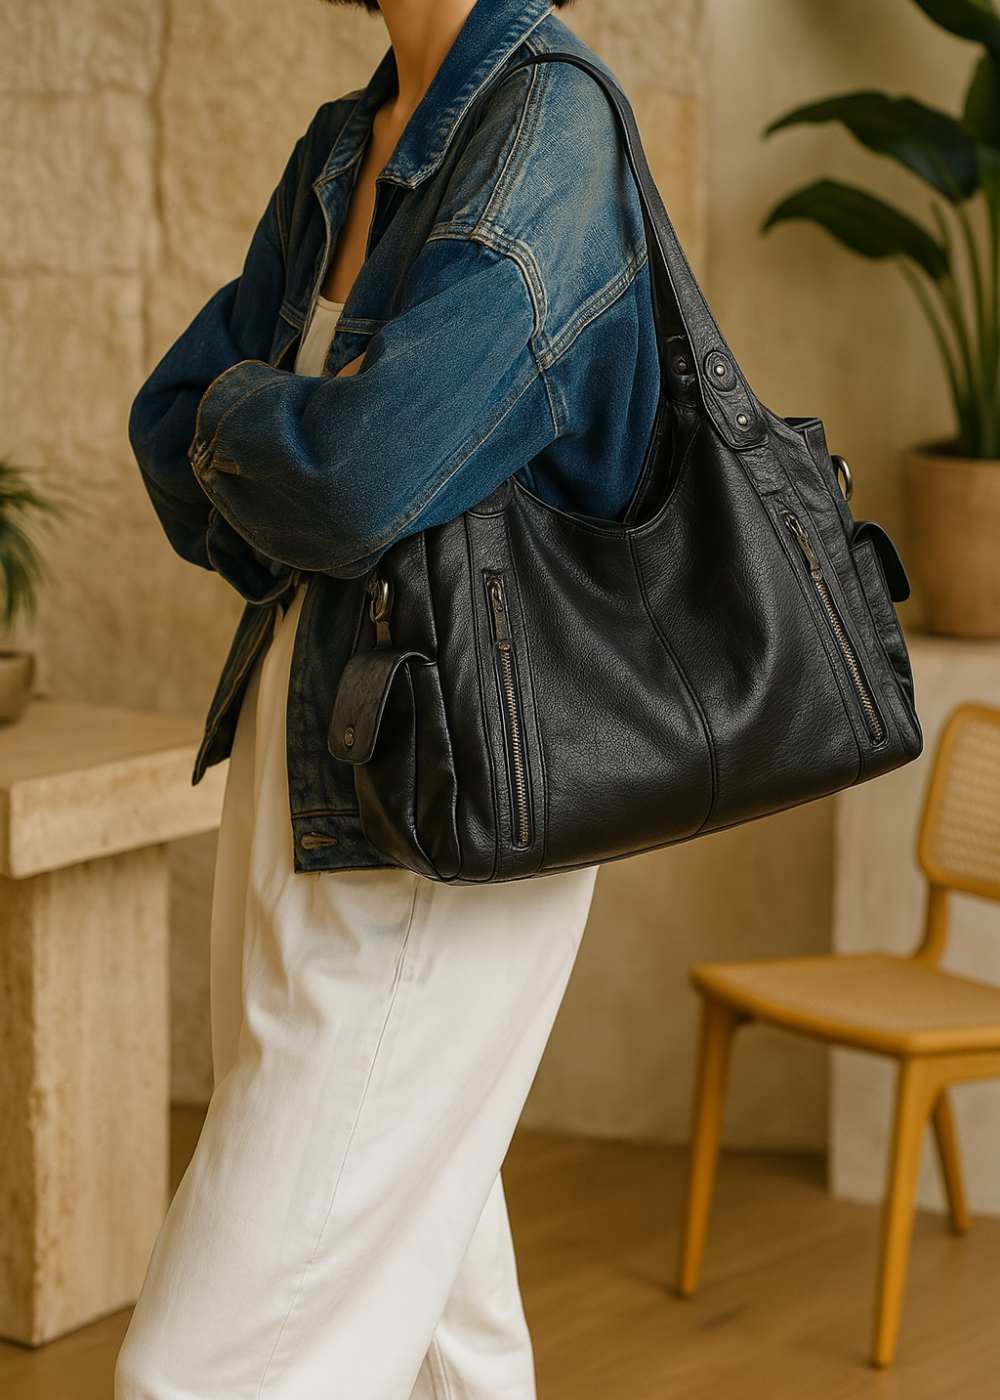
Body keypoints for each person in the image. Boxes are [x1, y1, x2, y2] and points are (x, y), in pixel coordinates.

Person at [116, 1, 658, 1395]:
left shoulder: (548, 127)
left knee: (205, 1366)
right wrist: (294, 430)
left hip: (439, 797)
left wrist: (256, 418)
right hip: (302, 745)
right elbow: (164, 422)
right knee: (439, 1326)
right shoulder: (341, 144)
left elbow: (357, 477)